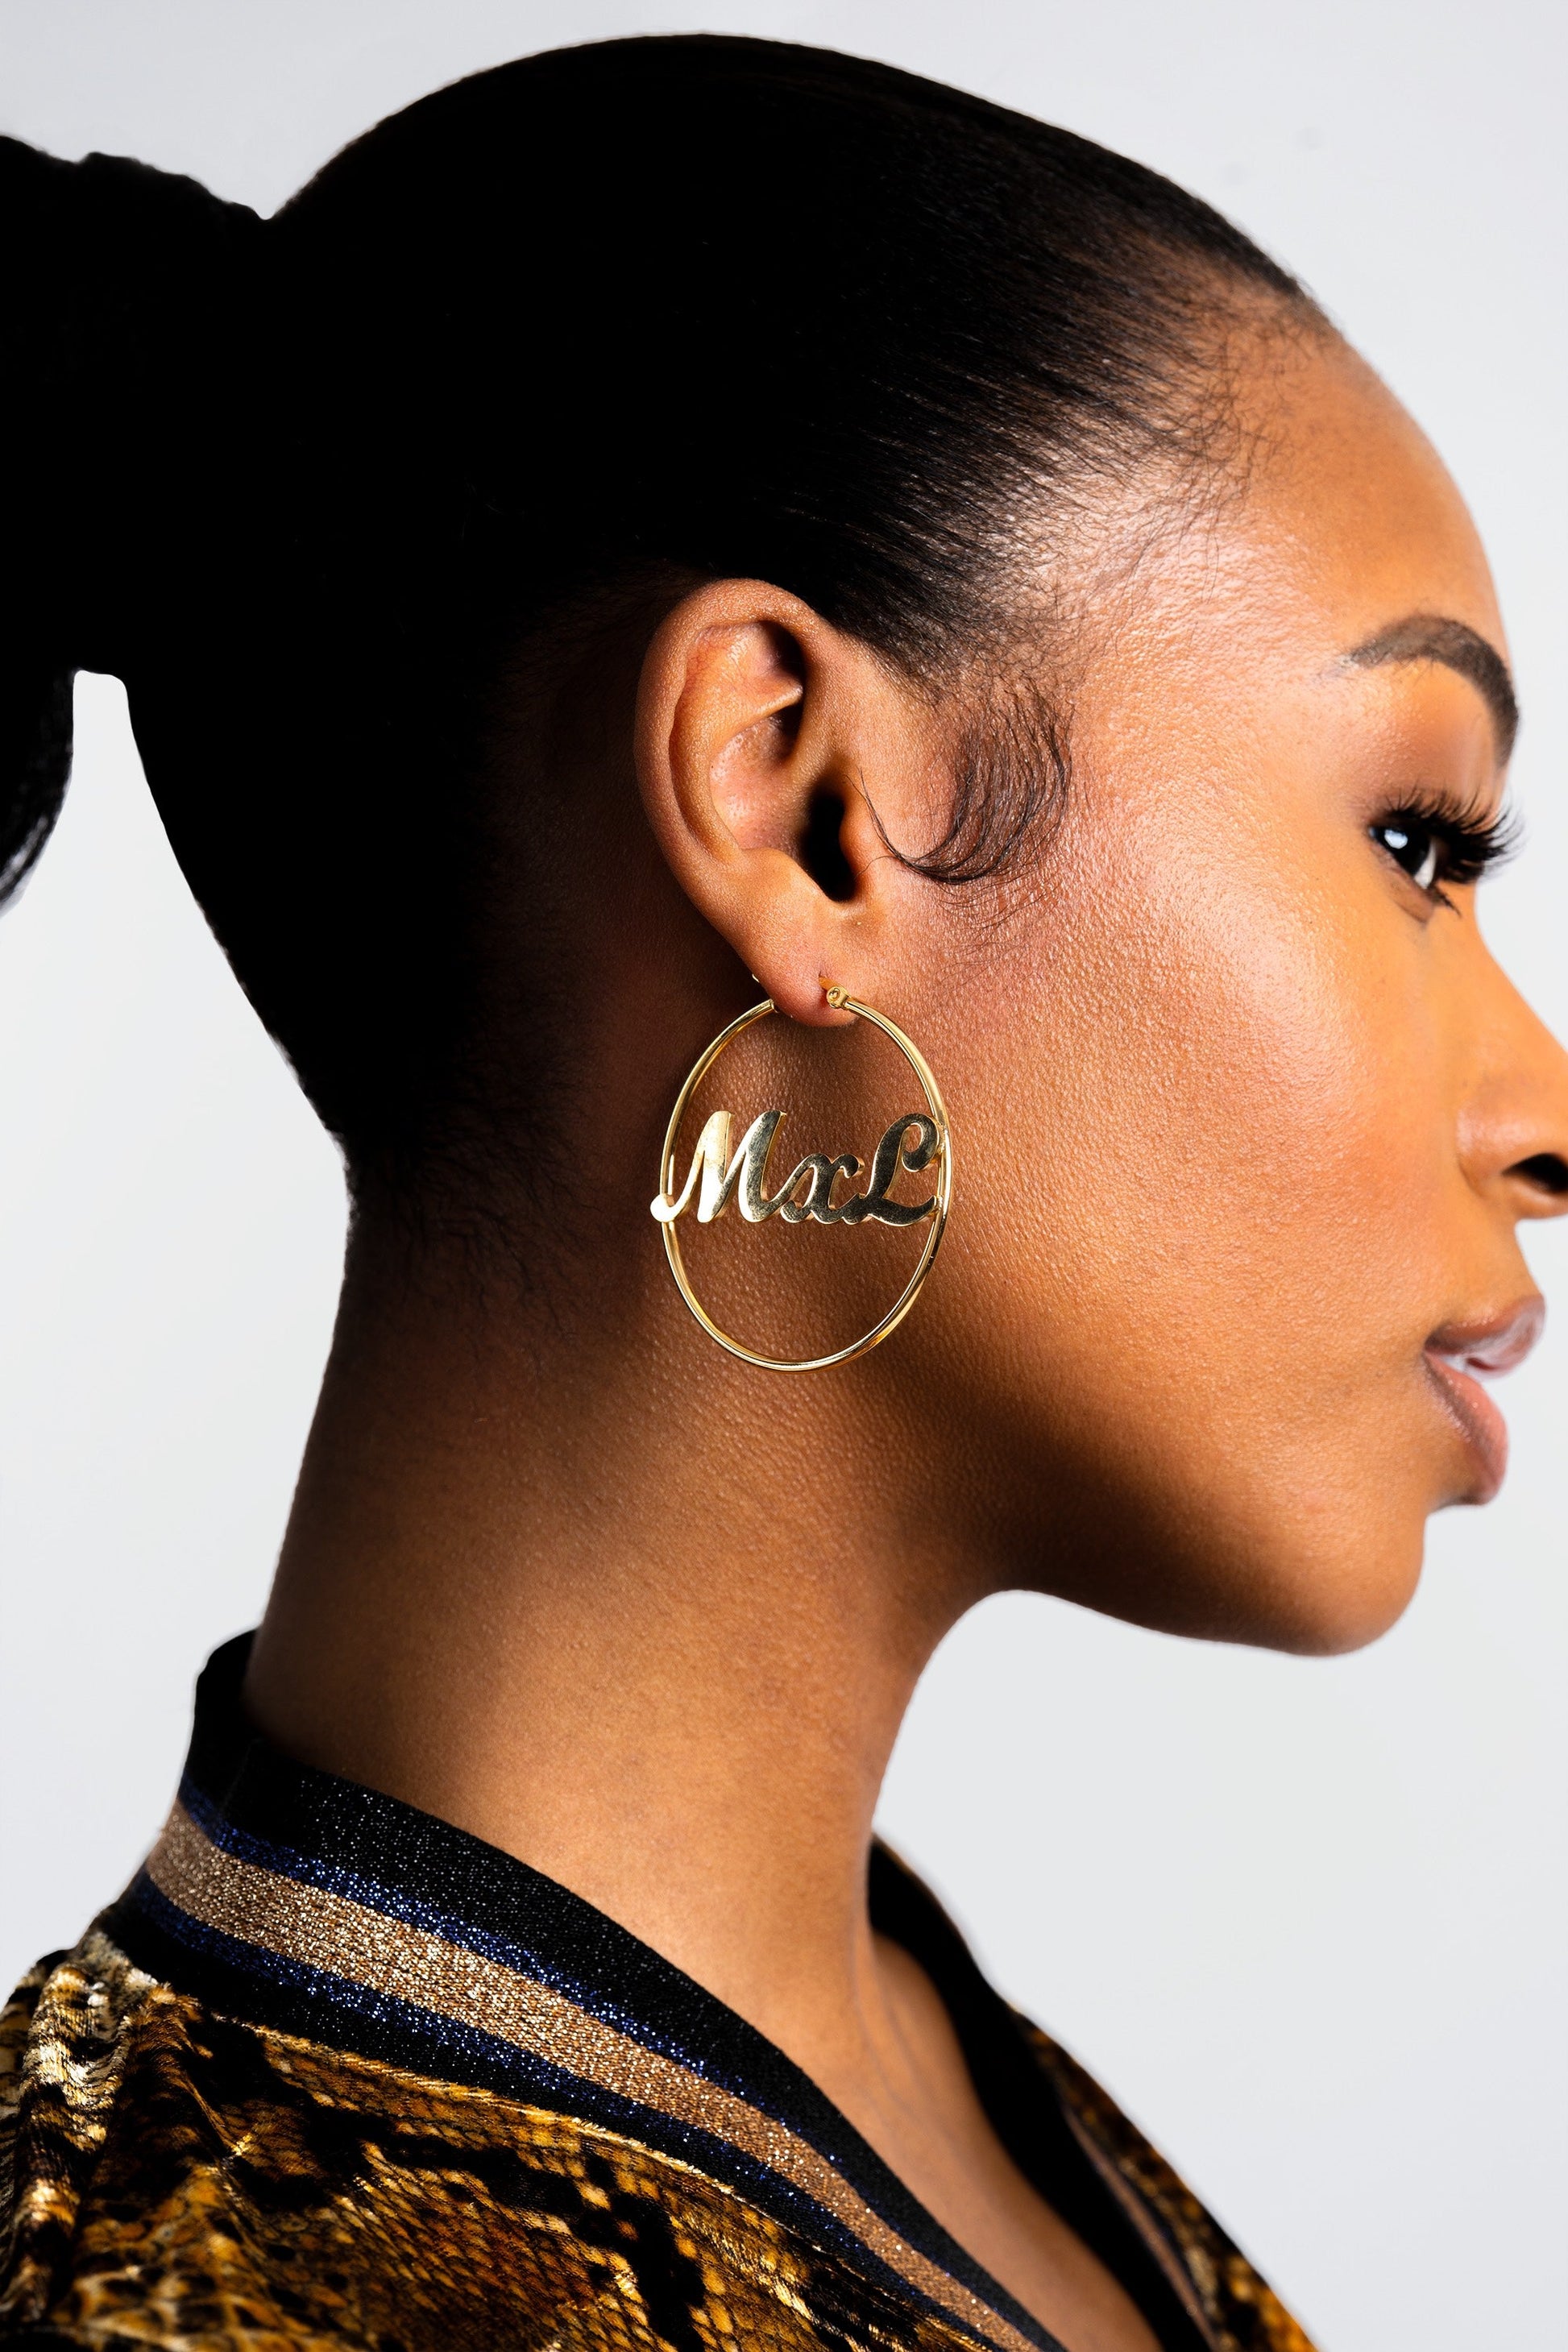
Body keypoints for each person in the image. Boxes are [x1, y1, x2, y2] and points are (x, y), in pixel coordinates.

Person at [2, 33, 1564, 2352]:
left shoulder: (913, 2065)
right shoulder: (179, 2304)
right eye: (1414, 843)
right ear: (798, 801)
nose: (1546, 1110)